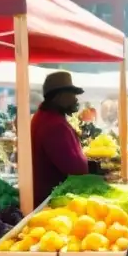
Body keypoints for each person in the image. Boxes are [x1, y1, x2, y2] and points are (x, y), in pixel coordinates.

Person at [31, 71, 94, 205]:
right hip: (54, 201)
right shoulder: (54, 125)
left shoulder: (44, 117)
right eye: (71, 94)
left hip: (49, 197)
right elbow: (76, 169)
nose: (75, 99)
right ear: (59, 96)